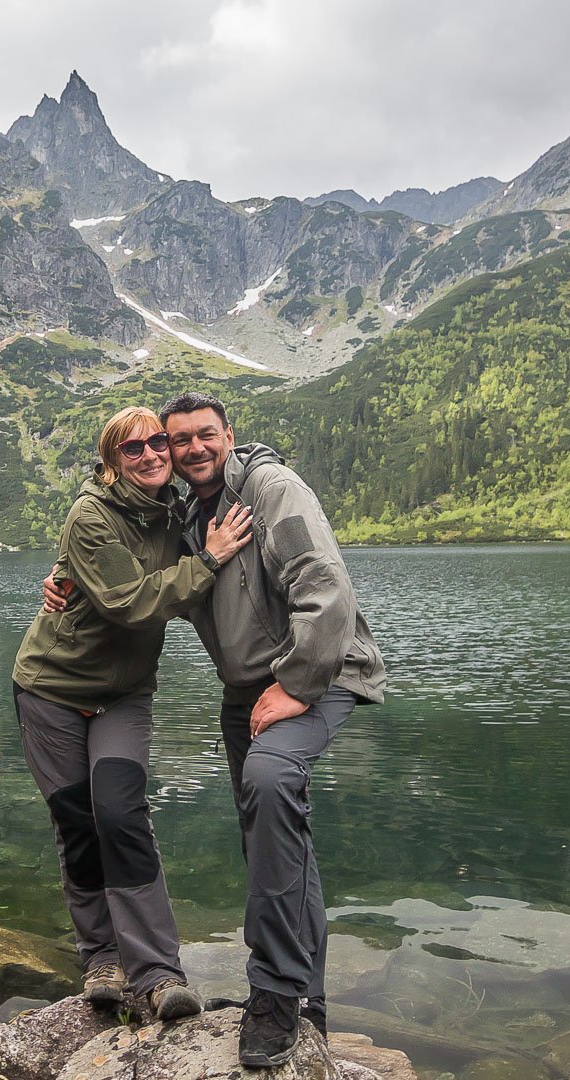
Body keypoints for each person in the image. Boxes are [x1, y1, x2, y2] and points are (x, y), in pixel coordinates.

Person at [44, 391, 385, 1068]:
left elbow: (325, 584)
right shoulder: (182, 510)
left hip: (317, 671)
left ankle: (275, 991)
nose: (191, 449)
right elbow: (135, 569)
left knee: (269, 780)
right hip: (246, 690)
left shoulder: (269, 488)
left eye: (205, 435)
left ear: (228, 435)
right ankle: (308, 993)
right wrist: (62, 578)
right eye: (177, 440)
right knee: (272, 826)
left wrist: (294, 684)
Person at [13, 404, 255, 1021]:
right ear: (110, 460)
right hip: (53, 689)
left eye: (156, 443)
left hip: (124, 694)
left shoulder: (174, 509)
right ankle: (101, 958)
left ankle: (156, 972)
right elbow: (128, 604)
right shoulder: (90, 515)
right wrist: (211, 559)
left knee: (121, 813)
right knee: (77, 822)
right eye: (132, 448)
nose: (150, 454)